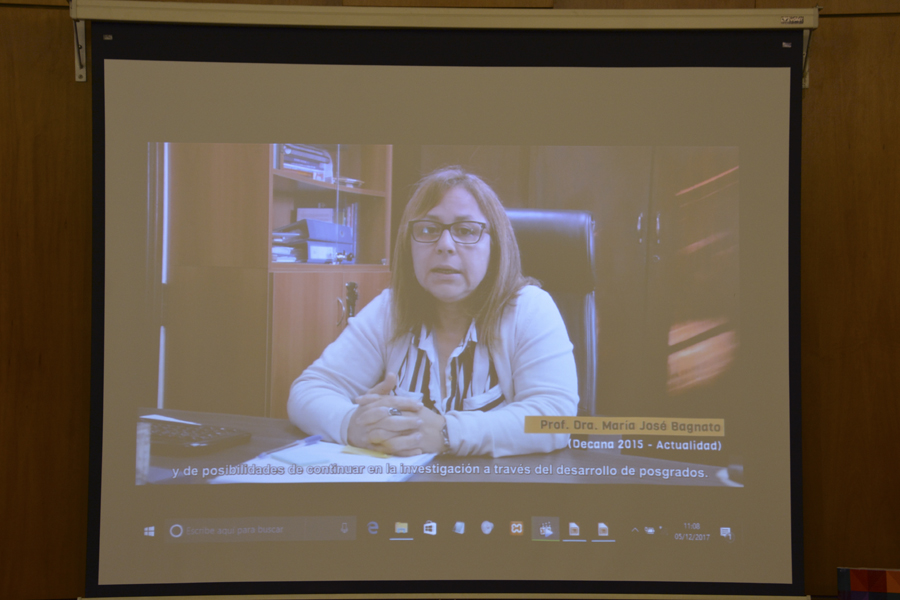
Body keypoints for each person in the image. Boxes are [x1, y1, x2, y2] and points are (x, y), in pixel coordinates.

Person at [287, 167, 578, 457]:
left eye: (466, 231)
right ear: (409, 244)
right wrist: (353, 424)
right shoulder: (391, 309)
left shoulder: (528, 308)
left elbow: (556, 418)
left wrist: (446, 433)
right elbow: (309, 390)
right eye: (428, 229)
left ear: (496, 245)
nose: (445, 246)